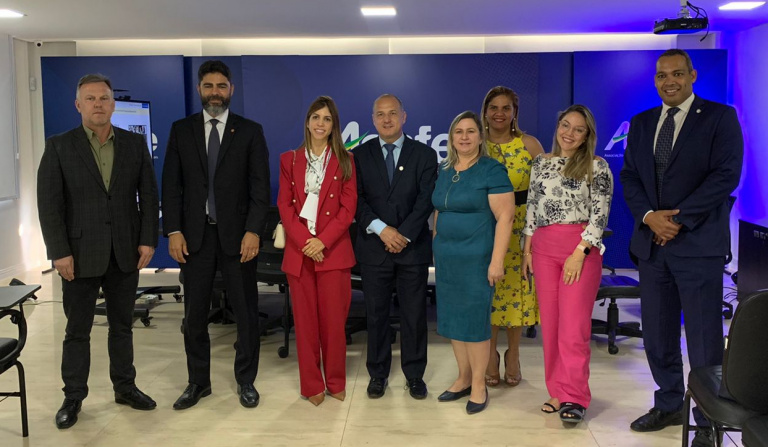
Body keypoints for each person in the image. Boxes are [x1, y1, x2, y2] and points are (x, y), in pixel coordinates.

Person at [621, 49, 743, 446]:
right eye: (662, 75)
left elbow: (725, 176)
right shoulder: (642, 123)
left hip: (698, 245)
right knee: (658, 335)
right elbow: (630, 176)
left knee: (705, 339)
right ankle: (669, 403)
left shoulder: (719, 117)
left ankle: (707, 420)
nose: (669, 81)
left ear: (692, 75)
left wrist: (676, 219)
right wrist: (648, 217)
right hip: (652, 248)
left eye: (677, 73)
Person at [37, 73, 159, 429]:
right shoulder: (59, 146)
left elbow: (148, 195)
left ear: (113, 104)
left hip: (124, 251)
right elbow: (49, 204)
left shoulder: (133, 144)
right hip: (78, 255)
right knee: (77, 331)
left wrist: (148, 238)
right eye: (90, 99)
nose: (98, 105)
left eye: (104, 98)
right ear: (78, 105)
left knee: (122, 327)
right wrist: (58, 252)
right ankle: (73, 396)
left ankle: (125, 388)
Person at [162, 60, 270, 410]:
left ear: (231, 90)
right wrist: (173, 230)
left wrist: (253, 231)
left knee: (246, 313)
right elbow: (171, 186)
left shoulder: (250, 131)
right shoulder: (181, 130)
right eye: (208, 86)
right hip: (195, 239)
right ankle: (198, 383)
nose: (215, 92)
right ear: (199, 89)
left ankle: (246, 380)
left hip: (239, 239)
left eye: (221, 86)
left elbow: (259, 190)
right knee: (194, 316)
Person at [522, 104, 613, 425]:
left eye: (578, 129)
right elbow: (532, 208)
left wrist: (580, 252)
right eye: (565, 125)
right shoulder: (541, 163)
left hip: (579, 250)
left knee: (573, 328)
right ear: (557, 126)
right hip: (543, 250)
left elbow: (600, 214)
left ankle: (575, 396)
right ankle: (557, 391)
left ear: (587, 135)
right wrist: (527, 251)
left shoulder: (597, 166)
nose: (569, 133)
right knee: (551, 326)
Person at [352, 94, 437, 400]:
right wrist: (383, 230)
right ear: (373, 119)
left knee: (414, 315)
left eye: (392, 113)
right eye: (380, 114)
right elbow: (356, 200)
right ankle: (378, 374)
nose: (386, 119)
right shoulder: (358, 156)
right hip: (374, 247)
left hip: (412, 249)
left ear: (404, 117)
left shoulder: (424, 154)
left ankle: (414, 375)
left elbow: (425, 201)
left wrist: (402, 235)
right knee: (376, 316)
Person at [431, 111, 515, 414]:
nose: (464, 137)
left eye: (470, 131)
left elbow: (505, 217)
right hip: (447, 258)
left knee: (475, 321)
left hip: (477, 258)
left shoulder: (491, 170)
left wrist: (496, 261)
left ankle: (479, 384)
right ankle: (463, 378)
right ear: (451, 138)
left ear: (480, 136)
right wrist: (436, 246)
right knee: (454, 320)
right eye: (458, 132)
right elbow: (439, 211)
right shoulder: (444, 169)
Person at [277, 96, 357, 406]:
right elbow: (285, 206)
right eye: (316, 117)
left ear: (334, 125)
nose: (320, 123)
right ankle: (311, 385)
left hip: (332, 252)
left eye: (327, 118)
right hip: (300, 254)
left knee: (334, 324)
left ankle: (335, 381)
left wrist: (322, 241)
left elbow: (348, 208)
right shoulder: (289, 160)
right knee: (306, 324)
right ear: (308, 122)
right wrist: (305, 242)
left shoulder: (346, 160)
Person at [481, 86, 544, 388]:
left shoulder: (529, 145)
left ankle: (514, 354)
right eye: (493, 107)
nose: (499, 113)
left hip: (522, 229)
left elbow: (547, 187)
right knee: (490, 294)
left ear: (514, 112)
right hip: (487, 226)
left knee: (518, 293)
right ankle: (490, 354)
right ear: (485, 112)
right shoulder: (478, 145)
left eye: (506, 108)